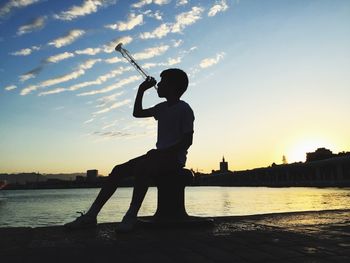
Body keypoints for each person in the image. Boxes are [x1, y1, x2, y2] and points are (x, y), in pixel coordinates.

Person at [65, 68, 194, 232]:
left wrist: (162, 153)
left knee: (142, 168)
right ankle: (91, 215)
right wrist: (141, 90)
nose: (159, 85)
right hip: (156, 157)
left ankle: (131, 216)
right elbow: (137, 113)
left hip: (174, 159)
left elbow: (187, 141)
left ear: (173, 86)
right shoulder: (161, 108)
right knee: (118, 170)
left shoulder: (184, 109)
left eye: (163, 82)